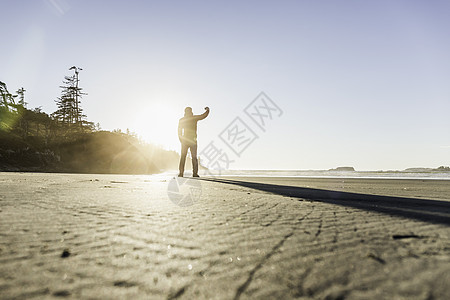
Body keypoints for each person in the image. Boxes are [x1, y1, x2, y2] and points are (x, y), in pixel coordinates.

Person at [178, 106, 210, 177]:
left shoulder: (183, 119)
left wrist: (181, 139)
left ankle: (182, 173)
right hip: (191, 141)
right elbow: (203, 116)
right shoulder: (192, 118)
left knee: (185, 157)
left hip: (187, 141)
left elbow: (179, 131)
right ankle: (193, 173)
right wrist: (207, 110)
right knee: (192, 157)